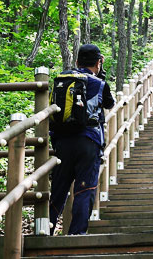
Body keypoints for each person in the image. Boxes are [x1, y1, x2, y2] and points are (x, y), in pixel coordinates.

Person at [49, 44, 115, 235]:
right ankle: (76, 234)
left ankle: (45, 229)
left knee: (59, 189)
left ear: (77, 62)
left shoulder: (62, 79)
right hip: (88, 142)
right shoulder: (98, 84)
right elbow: (109, 104)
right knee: (84, 189)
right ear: (98, 62)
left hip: (62, 141)